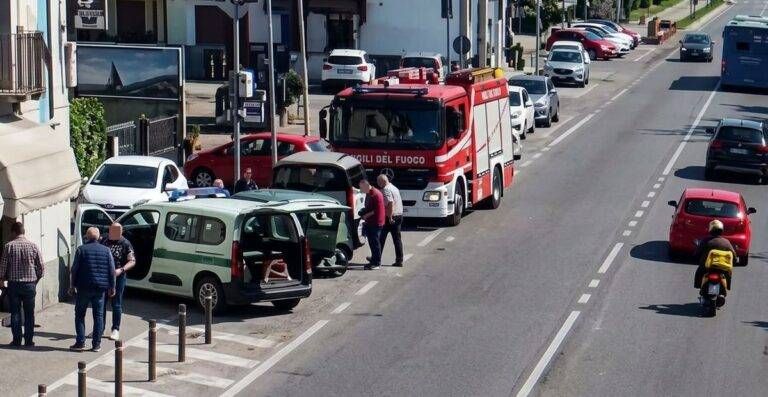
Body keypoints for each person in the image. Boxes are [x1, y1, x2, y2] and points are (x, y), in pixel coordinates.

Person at [70, 227, 115, 352]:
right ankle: (96, 344)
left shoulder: (81, 250)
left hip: (83, 287)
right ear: (99, 237)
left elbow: (74, 270)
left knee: (79, 314)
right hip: (100, 289)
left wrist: (72, 285)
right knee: (98, 316)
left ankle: (80, 342)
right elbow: (111, 271)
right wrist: (112, 286)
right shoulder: (106, 250)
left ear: (87, 237)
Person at [0, 222, 43, 347]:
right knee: (29, 313)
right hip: (30, 285)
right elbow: (41, 268)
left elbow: (2, 267)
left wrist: (1, 279)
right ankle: (29, 341)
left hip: (14, 285)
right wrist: (35, 281)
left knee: (15, 313)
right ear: (23, 232)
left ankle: (17, 340)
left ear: (14, 232)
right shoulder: (33, 246)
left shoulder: (9, 246)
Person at [100, 223, 135, 341]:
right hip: (104, 275)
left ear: (121, 232)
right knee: (101, 302)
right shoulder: (104, 240)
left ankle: (115, 329)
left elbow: (132, 261)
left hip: (119, 276)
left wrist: (121, 269)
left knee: (116, 303)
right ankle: (100, 328)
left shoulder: (125, 243)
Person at [693, 220, 736, 290]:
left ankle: (698, 285)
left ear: (711, 230)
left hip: (707, 267)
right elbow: (734, 255)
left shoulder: (706, 240)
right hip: (723, 267)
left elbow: (697, 253)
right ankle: (727, 287)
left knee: (699, 272)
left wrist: (696, 258)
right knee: (729, 273)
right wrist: (733, 262)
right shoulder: (726, 242)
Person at [377, 174, 404, 267]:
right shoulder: (394, 187)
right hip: (399, 215)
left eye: (378, 182)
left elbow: (390, 203)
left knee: (380, 238)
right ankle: (399, 260)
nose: (378, 184)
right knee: (397, 239)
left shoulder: (386, 189)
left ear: (382, 181)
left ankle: (376, 258)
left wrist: (389, 217)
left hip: (391, 217)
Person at [358, 179, 385, 270]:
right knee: (372, 242)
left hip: (376, 222)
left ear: (366, 186)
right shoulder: (369, 193)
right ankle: (374, 258)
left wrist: (365, 216)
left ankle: (376, 262)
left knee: (375, 243)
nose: (361, 190)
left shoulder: (375, 194)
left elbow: (376, 210)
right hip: (371, 221)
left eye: (362, 188)